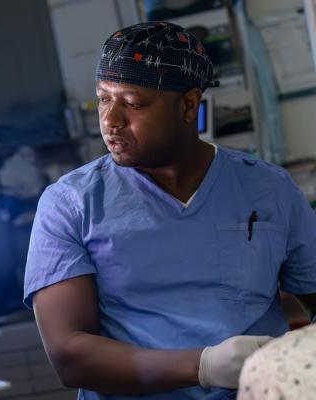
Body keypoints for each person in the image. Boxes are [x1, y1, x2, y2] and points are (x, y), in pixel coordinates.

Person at [24, 21, 316, 400]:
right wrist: (203, 366)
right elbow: (69, 356)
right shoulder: (71, 204)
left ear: (189, 104)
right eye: (102, 98)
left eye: (132, 103)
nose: (110, 120)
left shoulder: (267, 188)